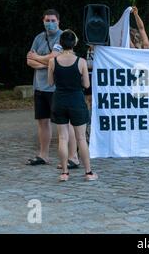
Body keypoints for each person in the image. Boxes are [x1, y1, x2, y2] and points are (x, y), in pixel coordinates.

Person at [26, 9, 79, 167]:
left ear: (58, 21)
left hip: (56, 88)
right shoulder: (39, 38)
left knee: (64, 124)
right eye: (47, 20)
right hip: (40, 87)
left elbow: (54, 58)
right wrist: (47, 63)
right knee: (42, 121)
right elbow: (29, 60)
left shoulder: (63, 37)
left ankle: (73, 157)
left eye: (53, 20)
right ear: (43, 21)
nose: (50, 23)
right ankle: (43, 155)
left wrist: (39, 59)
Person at [48, 30, 98, 182]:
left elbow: (50, 83)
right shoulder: (81, 61)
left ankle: (64, 173)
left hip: (59, 100)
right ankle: (88, 173)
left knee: (63, 138)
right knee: (81, 138)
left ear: (61, 44)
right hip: (76, 100)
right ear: (75, 43)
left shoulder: (52, 61)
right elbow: (87, 84)